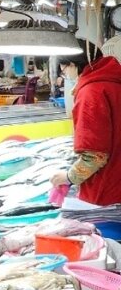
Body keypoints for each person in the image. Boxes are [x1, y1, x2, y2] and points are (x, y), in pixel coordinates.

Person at [51, 54, 121, 206]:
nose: (66, 75)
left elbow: (96, 156)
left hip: (107, 194)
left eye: (63, 70)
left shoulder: (91, 92)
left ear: (72, 64)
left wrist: (68, 177)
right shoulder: (114, 81)